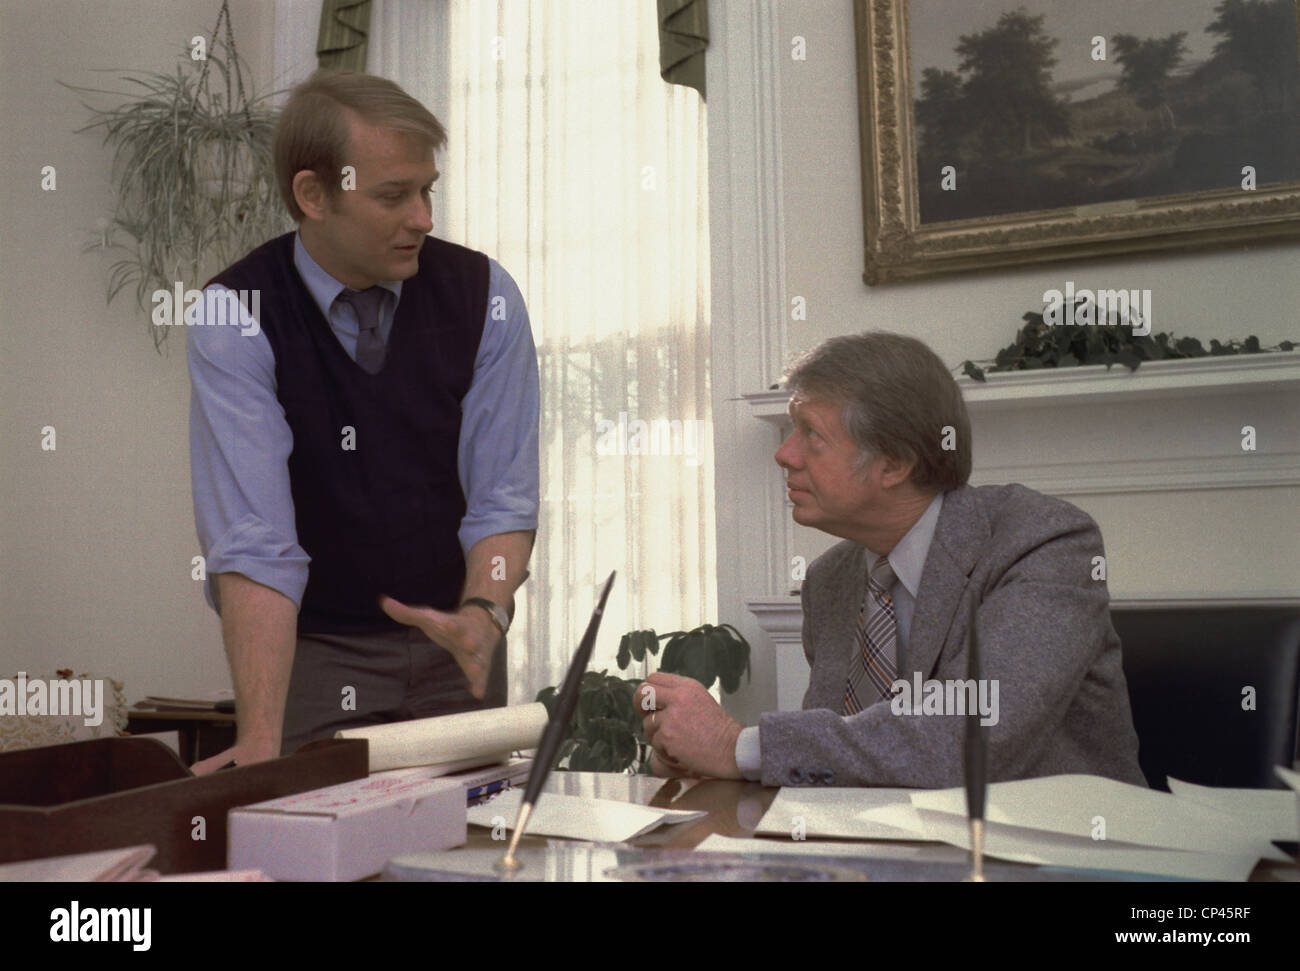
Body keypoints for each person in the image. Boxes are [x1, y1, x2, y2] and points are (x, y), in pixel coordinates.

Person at [186, 71, 539, 773]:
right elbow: (255, 545)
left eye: (427, 189)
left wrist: (484, 613)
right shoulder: (236, 314)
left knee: (468, 858)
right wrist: (259, 735)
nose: (424, 218)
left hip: (456, 648)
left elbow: (503, 495)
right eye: (393, 195)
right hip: (319, 655)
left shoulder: (487, 297)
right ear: (313, 195)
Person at [637, 332, 1145, 788]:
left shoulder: (1043, 542)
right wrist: (698, 754)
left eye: (810, 433)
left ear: (895, 464)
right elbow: (849, 755)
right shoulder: (830, 579)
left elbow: (969, 739)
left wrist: (737, 746)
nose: (784, 454)